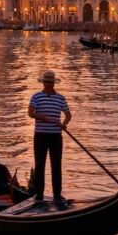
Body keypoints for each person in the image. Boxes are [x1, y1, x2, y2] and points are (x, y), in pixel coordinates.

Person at [28, 70, 72, 206]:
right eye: (46, 82)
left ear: (53, 83)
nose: (48, 84)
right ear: (43, 82)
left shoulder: (61, 98)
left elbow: (68, 115)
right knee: (40, 165)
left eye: (50, 82)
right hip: (40, 135)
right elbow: (30, 113)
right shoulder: (36, 97)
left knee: (56, 166)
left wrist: (63, 124)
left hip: (55, 136)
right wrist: (43, 117)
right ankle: (39, 194)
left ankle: (57, 195)